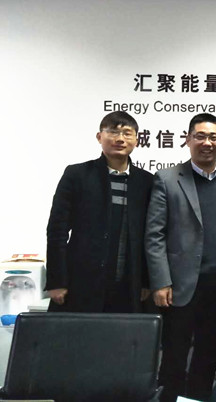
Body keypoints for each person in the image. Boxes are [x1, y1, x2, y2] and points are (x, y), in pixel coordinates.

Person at [145, 113, 216, 402]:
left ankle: (199, 398)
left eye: (213, 137)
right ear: (188, 140)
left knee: (209, 355)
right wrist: (160, 281)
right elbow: (154, 235)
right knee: (174, 355)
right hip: (179, 287)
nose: (206, 142)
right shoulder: (167, 178)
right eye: (200, 136)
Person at [46, 111, 153, 313]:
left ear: (137, 140)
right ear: (99, 137)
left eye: (127, 133)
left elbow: (150, 236)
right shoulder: (77, 175)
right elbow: (57, 231)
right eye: (113, 132)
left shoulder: (147, 181)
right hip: (81, 282)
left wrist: (146, 281)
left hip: (129, 286)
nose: (120, 139)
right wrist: (56, 281)